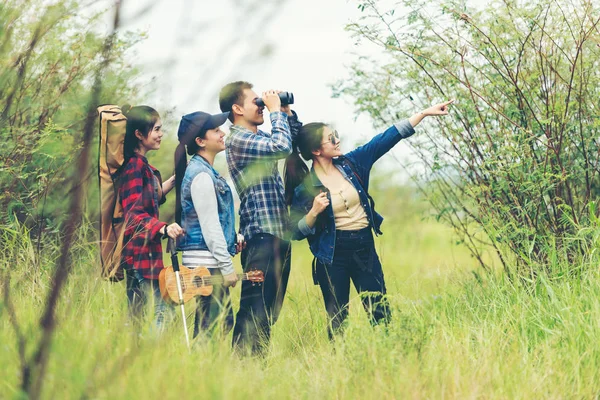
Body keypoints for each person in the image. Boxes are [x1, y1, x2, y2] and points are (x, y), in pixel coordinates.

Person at [285, 100, 454, 339]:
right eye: (331, 139)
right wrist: (313, 213)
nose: (337, 141)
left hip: (363, 247)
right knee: (338, 318)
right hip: (332, 255)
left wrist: (424, 114)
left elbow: (383, 140)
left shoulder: (352, 164)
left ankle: (386, 359)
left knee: (380, 311)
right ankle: (339, 367)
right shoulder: (305, 189)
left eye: (336, 135)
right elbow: (295, 232)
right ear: (316, 150)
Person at [219, 81, 302, 355]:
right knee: (254, 309)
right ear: (237, 108)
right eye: (255, 101)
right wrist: (275, 112)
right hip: (261, 237)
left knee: (269, 312)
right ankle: (242, 368)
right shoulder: (238, 139)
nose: (261, 106)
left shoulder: (258, 137)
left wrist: (285, 110)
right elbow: (281, 146)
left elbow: (292, 139)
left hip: (278, 234)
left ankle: (257, 370)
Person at [174, 110, 245, 338]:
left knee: (215, 322)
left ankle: (204, 367)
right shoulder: (201, 175)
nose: (222, 133)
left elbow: (216, 221)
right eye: (216, 131)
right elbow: (210, 225)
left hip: (207, 259)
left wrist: (233, 239)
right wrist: (226, 267)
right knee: (214, 325)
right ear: (200, 141)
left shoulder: (204, 171)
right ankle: (200, 369)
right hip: (206, 263)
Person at [119, 105, 184, 329]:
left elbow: (151, 197)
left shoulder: (141, 166)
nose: (160, 134)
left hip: (144, 254)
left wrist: (175, 179)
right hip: (140, 255)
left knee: (138, 316)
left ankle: (135, 355)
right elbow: (133, 214)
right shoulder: (134, 166)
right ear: (138, 134)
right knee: (163, 311)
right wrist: (163, 228)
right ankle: (147, 355)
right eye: (156, 129)